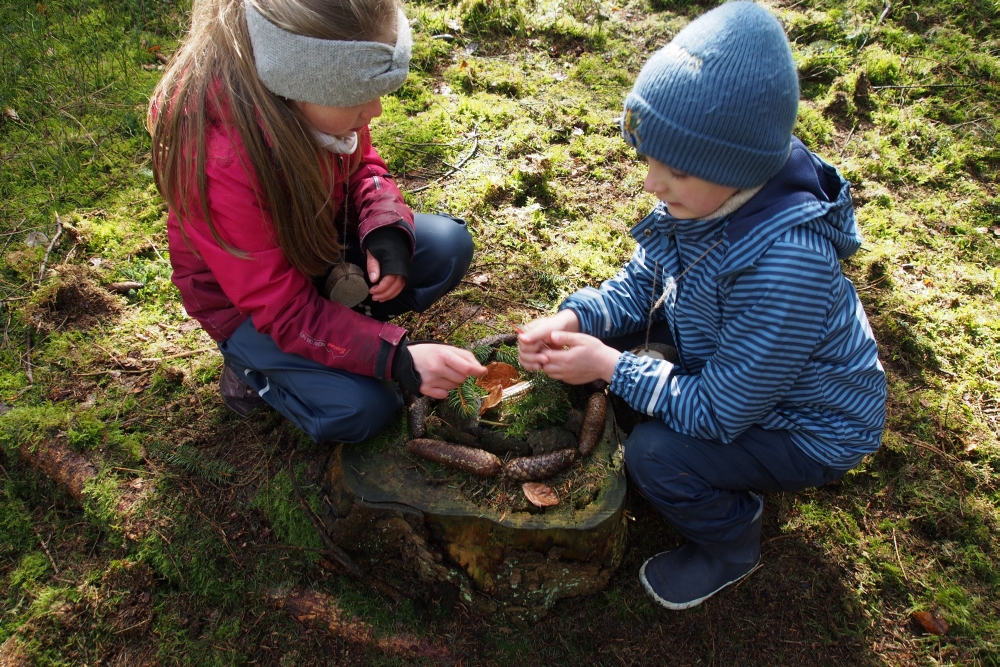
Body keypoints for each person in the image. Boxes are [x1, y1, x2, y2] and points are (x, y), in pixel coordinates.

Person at [518, 1, 886, 610]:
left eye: (675, 171)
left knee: (655, 454)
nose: (651, 185)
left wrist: (610, 366)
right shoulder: (712, 197)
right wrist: (577, 318)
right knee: (640, 356)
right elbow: (643, 282)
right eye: (647, 160)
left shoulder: (786, 269)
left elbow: (720, 413)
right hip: (733, 364)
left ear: (734, 166)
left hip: (806, 426)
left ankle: (731, 542)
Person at [148, 0, 485, 444]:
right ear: (298, 84)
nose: (376, 111)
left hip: (316, 245)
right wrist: (397, 358)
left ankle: (343, 323)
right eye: (358, 97)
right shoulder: (219, 162)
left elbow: (361, 165)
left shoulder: (315, 97)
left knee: (446, 247)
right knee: (364, 409)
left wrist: (384, 228)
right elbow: (281, 307)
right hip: (252, 308)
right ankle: (252, 370)